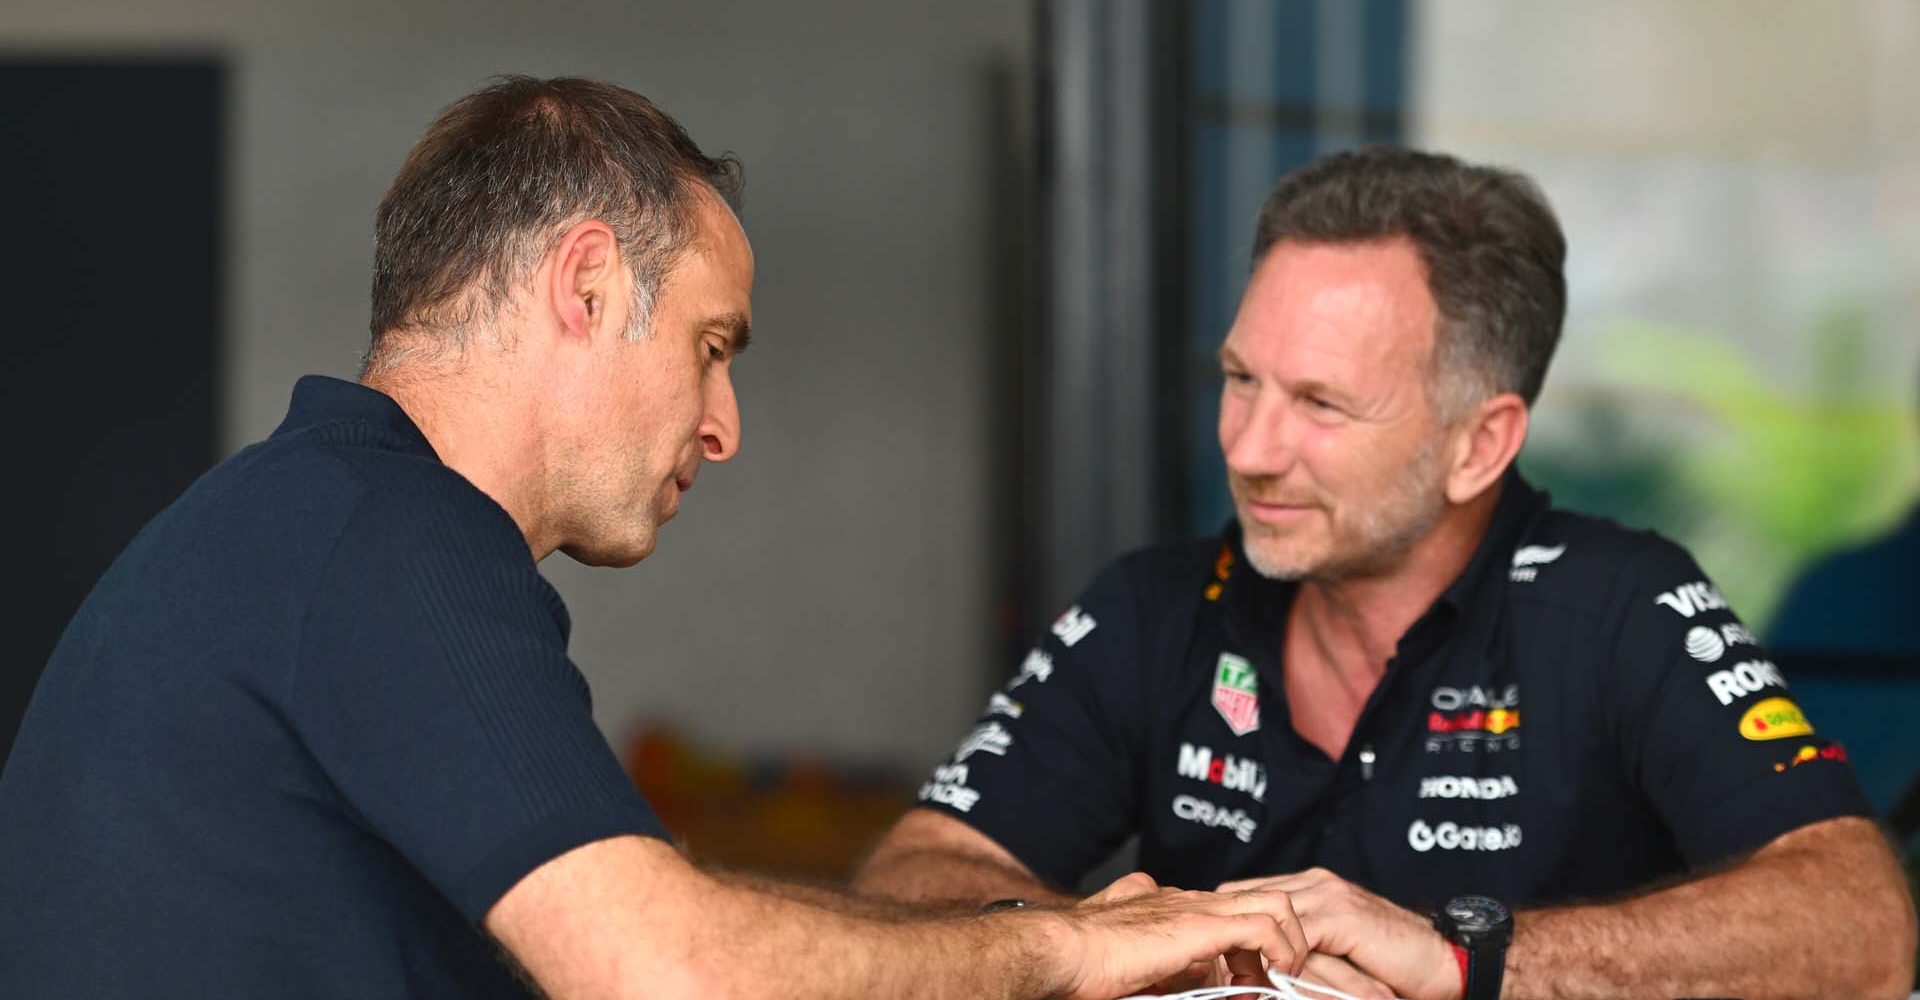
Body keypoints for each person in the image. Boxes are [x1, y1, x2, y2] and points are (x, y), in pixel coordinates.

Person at [0, 76, 1312, 1000]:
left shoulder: (307, 520)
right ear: (585, 285)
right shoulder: (389, 541)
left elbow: (652, 917)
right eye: (712, 348)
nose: (725, 424)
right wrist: (1066, 951)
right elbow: (674, 973)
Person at [855, 148, 1918, 999]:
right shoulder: (1156, 606)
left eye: (1321, 404)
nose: (1251, 446)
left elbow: (1861, 928)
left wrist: (1468, 958)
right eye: (1238, 379)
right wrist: (1081, 944)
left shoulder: (1619, 607)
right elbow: (912, 873)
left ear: (1479, 445)